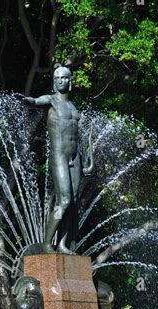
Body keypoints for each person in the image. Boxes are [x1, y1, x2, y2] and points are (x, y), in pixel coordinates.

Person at [22, 65, 92, 252]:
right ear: (54, 81)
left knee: (74, 202)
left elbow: (79, 137)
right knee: (65, 200)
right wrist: (28, 100)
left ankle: (62, 244)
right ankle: (46, 243)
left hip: (75, 156)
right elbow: (36, 102)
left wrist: (85, 159)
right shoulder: (51, 100)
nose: (61, 81)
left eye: (65, 78)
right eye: (58, 78)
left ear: (70, 81)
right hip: (59, 155)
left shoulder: (73, 106)